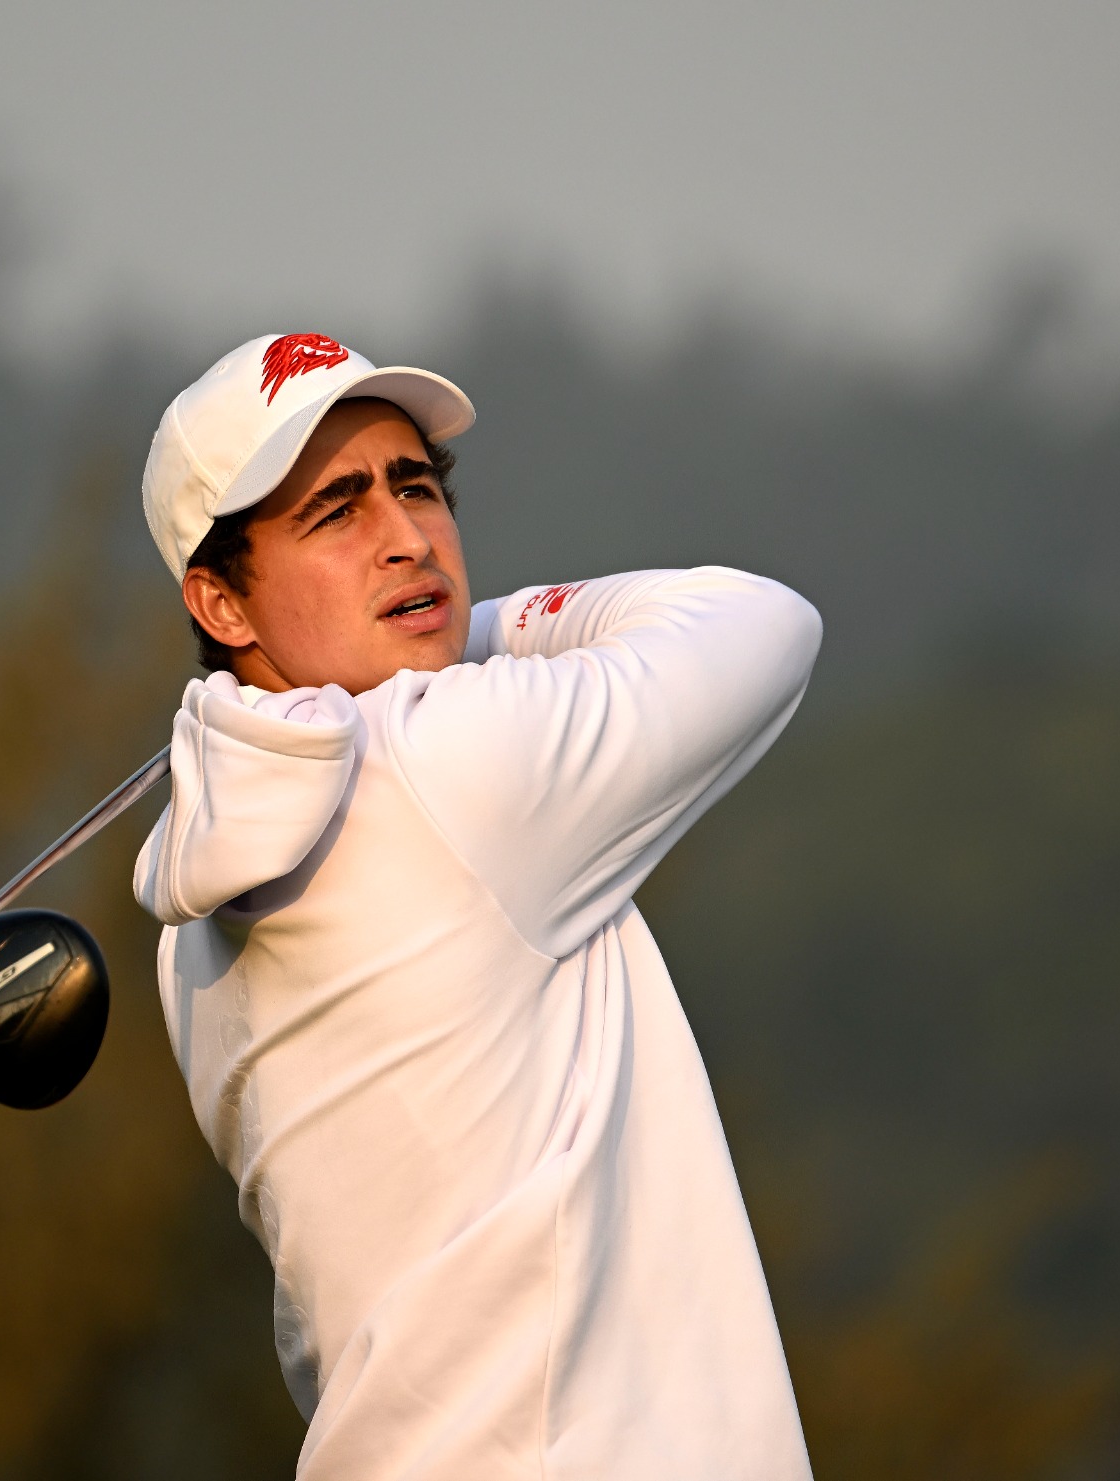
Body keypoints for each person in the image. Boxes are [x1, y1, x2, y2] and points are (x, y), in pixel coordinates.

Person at [134, 332, 822, 1479]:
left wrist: (412, 637)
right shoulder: (451, 761)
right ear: (221, 598)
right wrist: (479, 627)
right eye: (335, 512)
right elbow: (759, 619)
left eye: (416, 487)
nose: (406, 536)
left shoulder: (184, 925)